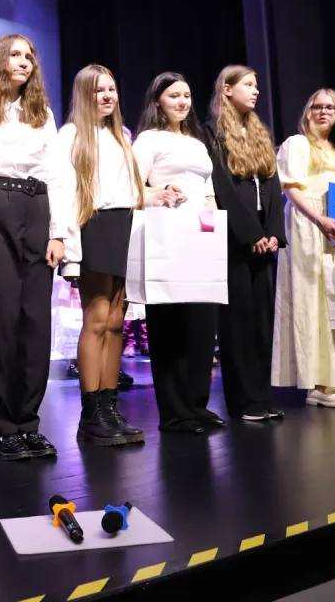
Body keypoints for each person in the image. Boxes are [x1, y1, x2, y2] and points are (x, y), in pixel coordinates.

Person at [59, 64, 176, 445]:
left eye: (111, 89)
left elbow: (129, 190)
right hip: (94, 226)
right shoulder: (71, 136)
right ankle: (91, 413)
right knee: (96, 320)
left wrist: (158, 196)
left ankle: (109, 408)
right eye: (99, 90)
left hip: (125, 226)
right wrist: (70, 250)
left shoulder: (121, 136)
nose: (108, 96)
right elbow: (65, 195)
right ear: (84, 94)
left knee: (115, 322)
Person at [0, 34, 64, 460]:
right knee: (1, 320)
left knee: (36, 321)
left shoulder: (43, 114)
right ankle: (3, 422)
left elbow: (56, 174)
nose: (24, 62)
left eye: (30, 56)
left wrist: (58, 233)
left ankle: (28, 421)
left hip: (37, 207)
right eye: (16, 55)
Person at [132, 71, 225, 432]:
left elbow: (209, 190)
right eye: (174, 96)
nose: (183, 101)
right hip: (167, 236)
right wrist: (159, 193)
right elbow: (133, 187)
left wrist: (215, 224)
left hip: (201, 236)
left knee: (202, 323)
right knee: (170, 323)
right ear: (158, 101)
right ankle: (175, 412)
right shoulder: (148, 139)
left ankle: (197, 404)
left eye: (186, 95)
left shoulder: (197, 141)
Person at [272, 89, 335, 407]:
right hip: (309, 223)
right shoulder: (297, 144)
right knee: (313, 298)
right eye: (317, 106)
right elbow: (291, 189)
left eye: (331, 107)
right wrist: (319, 219)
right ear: (308, 111)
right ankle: (318, 385)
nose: (324, 112)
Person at [207, 65, 286, 421]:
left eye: (256, 85)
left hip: (263, 240)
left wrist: (273, 232)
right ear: (227, 89)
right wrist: (250, 234)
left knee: (262, 320)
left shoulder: (257, 130)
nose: (256, 91)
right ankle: (243, 400)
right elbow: (222, 188)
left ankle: (262, 394)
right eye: (248, 85)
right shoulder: (213, 133)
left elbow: (272, 182)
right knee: (237, 322)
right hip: (235, 239)